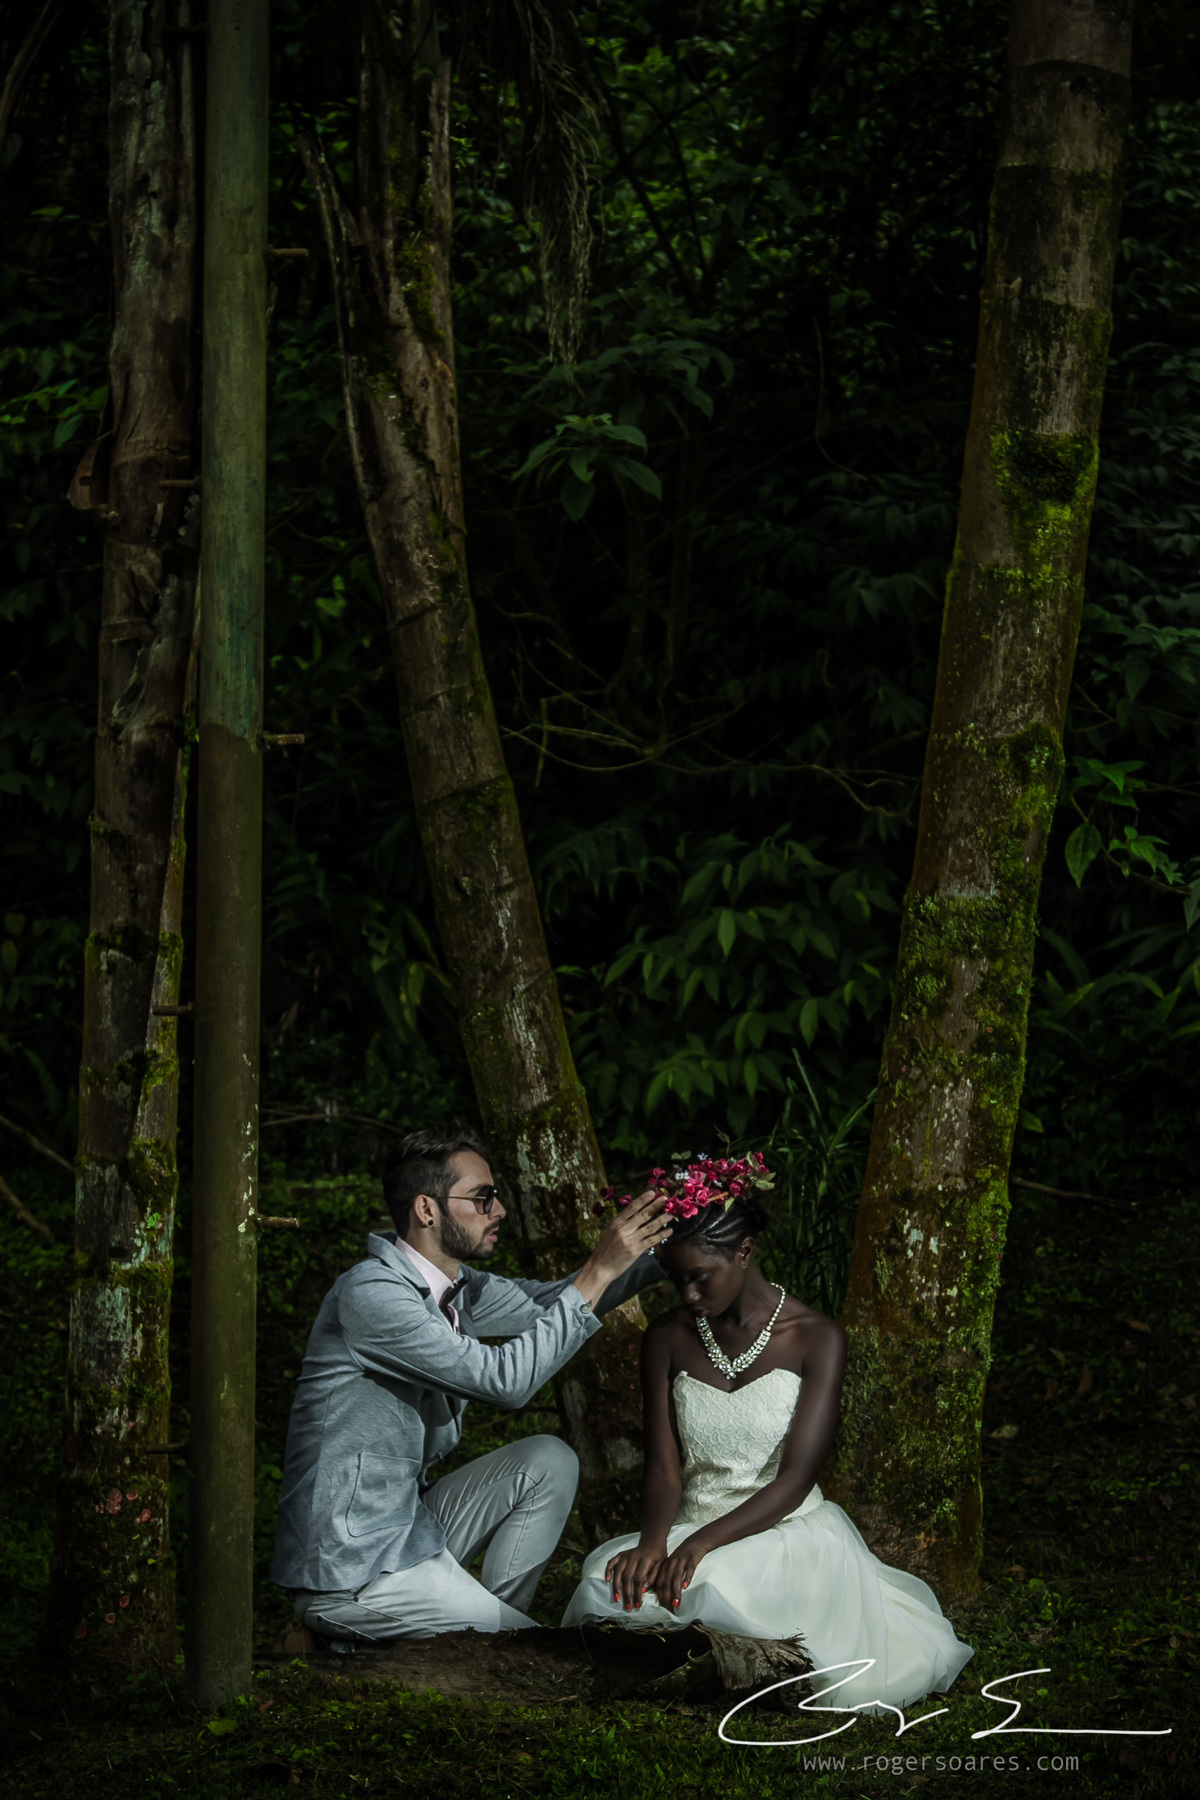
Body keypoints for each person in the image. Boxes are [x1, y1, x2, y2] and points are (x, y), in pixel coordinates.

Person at [562, 1156, 974, 1710]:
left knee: (717, 1585)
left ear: (745, 1252)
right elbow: (664, 1466)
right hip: (693, 1522)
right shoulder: (666, 1337)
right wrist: (655, 1543)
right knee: (605, 1579)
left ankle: (726, 1667)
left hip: (784, 1529)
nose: (688, 1295)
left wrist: (702, 1546)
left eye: (700, 1277)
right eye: (677, 1279)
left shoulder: (817, 1336)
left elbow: (797, 1478)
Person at [272, 1122, 669, 1647]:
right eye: (482, 1198)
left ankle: (487, 1633)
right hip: (350, 1565)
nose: (498, 1210)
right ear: (427, 1209)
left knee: (548, 1460)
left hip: (408, 1529)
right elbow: (504, 1381)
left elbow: (554, 1302)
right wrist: (597, 1268)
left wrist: (668, 1251)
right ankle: (355, 1627)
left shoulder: (458, 1288)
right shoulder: (371, 1295)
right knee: (546, 1652)